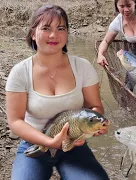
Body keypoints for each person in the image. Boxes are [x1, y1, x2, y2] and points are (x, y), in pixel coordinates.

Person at [6, 5, 109, 180]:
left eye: (61, 28)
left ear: (67, 33)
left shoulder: (82, 67)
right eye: (46, 28)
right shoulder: (20, 72)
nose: (54, 35)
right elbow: (15, 121)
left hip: (76, 145)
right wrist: (48, 142)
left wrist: (92, 128)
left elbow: (95, 106)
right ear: (33, 33)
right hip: (35, 144)